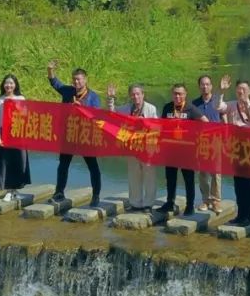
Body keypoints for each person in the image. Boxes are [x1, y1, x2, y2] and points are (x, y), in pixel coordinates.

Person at [48, 60, 102, 207]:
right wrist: (50, 70)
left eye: (78, 79)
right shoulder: (68, 91)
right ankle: (59, 192)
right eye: (74, 79)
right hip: (69, 134)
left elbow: (97, 116)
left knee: (93, 166)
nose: (76, 82)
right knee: (63, 164)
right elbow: (55, 83)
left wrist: (82, 107)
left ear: (85, 80)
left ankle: (96, 195)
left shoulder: (93, 97)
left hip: (85, 135)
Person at [217, 76, 250, 227]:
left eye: (244, 89)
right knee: (238, 184)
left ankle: (249, 216)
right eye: (239, 90)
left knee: (249, 184)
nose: (241, 92)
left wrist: (249, 116)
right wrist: (221, 91)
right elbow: (218, 107)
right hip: (236, 149)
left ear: (249, 91)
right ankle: (240, 214)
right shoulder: (231, 105)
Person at [158, 83, 208, 216]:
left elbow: (205, 122)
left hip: (187, 151)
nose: (177, 96)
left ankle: (190, 205)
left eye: (180, 94)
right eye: (175, 93)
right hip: (171, 149)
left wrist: (197, 136)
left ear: (185, 94)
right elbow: (162, 126)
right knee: (170, 178)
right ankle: (170, 202)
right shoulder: (168, 107)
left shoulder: (191, 108)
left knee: (188, 179)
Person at [107, 83, 159, 211]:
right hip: (133, 148)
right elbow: (112, 114)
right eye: (133, 94)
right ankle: (135, 203)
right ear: (130, 96)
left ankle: (148, 203)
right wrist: (111, 99)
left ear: (143, 95)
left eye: (138, 94)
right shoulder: (127, 108)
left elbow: (158, 128)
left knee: (149, 176)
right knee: (133, 175)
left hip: (148, 147)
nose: (135, 97)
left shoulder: (151, 109)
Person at [0, 74, 31, 201]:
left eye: (11, 83)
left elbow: (26, 116)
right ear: (3, 85)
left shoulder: (21, 98)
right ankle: (8, 190)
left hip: (18, 133)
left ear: (15, 85)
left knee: (19, 161)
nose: (8, 85)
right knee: (6, 162)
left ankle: (15, 190)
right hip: (5, 133)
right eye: (6, 83)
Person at [192, 74, 223, 214]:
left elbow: (225, 118)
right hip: (202, 141)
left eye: (207, 84)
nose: (205, 87)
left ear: (211, 86)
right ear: (199, 86)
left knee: (216, 171)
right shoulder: (194, 104)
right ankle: (205, 200)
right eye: (202, 84)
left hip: (216, 140)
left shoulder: (217, 101)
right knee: (203, 172)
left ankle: (216, 200)